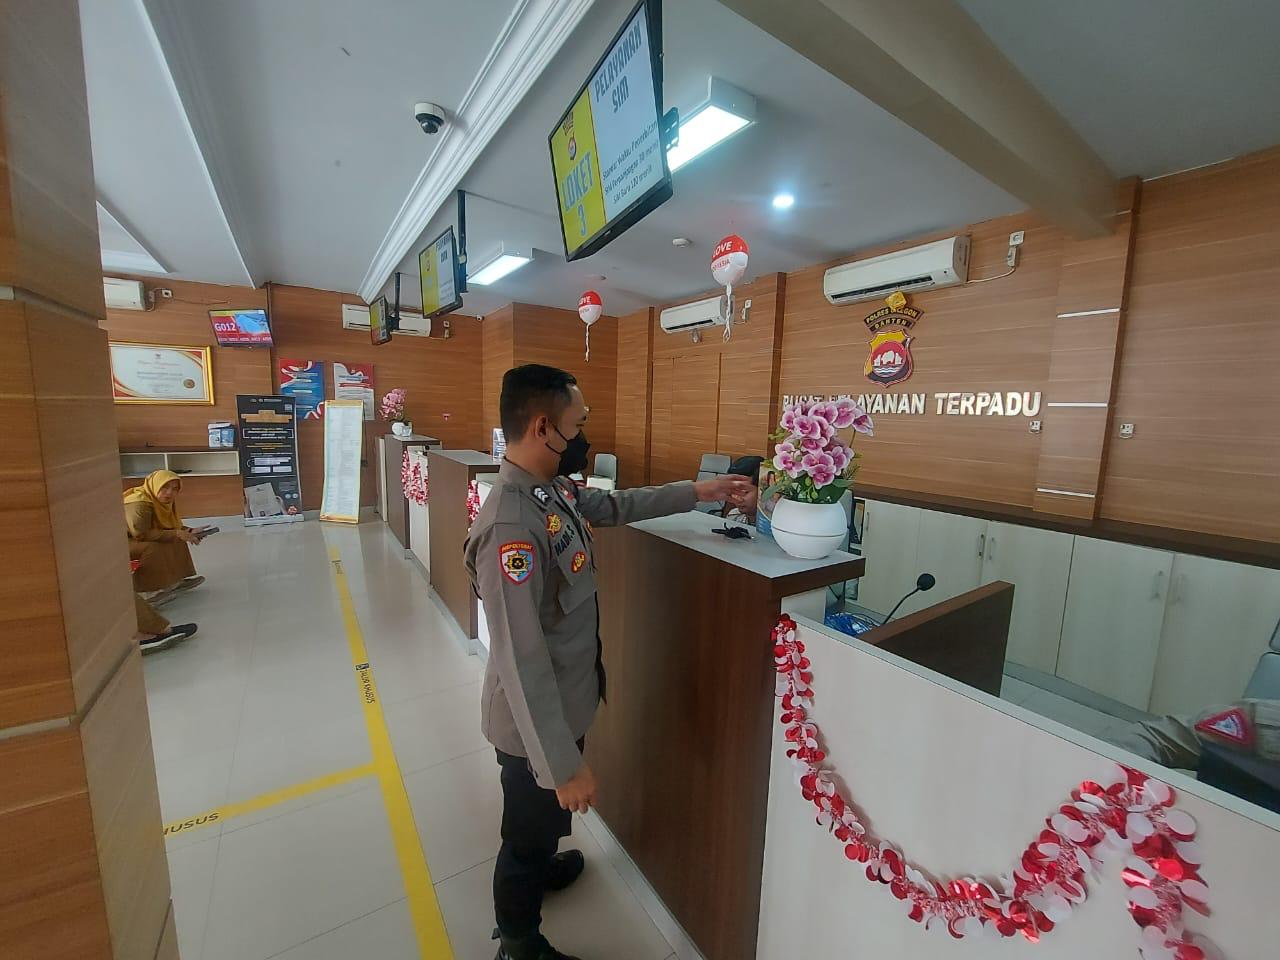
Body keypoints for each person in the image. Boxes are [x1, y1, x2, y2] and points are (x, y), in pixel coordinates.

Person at [464, 364, 752, 960]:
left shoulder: (549, 490)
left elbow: (615, 504)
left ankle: (543, 863)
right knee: (524, 835)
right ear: (543, 428)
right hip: (531, 728)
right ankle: (517, 943)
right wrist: (562, 766)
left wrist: (700, 492)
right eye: (577, 425)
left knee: (543, 821)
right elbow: (520, 659)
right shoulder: (512, 524)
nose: (583, 436)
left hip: (565, 701)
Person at [124, 469, 206, 601]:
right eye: (164, 487)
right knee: (153, 548)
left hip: (137, 537)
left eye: (174, 489)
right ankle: (148, 592)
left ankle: (174, 582)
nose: (169, 493)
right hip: (120, 542)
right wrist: (177, 533)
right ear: (155, 485)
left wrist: (189, 531)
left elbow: (167, 525)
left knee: (176, 538)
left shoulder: (161, 499)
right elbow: (141, 534)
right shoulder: (139, 502)